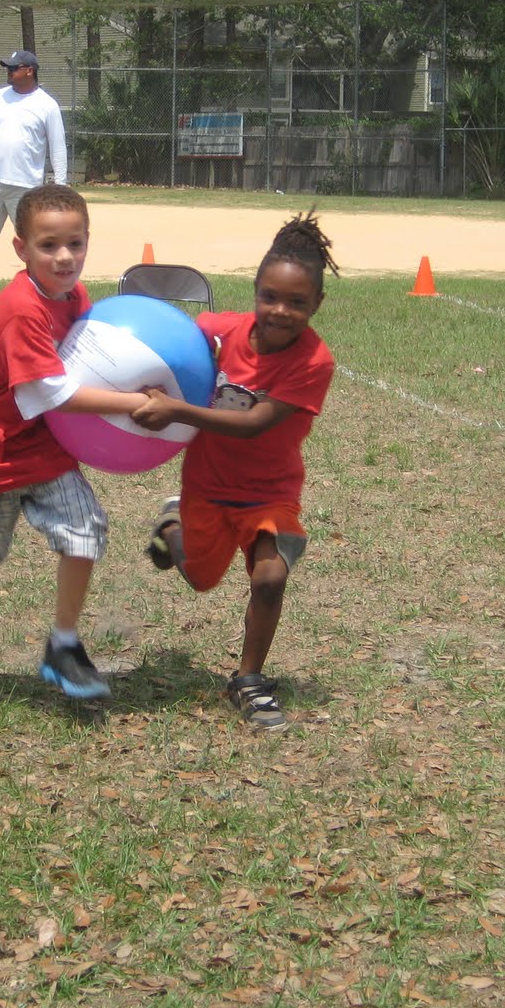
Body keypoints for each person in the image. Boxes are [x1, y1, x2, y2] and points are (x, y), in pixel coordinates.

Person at [0, 184, 150, 700]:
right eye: (48, 246)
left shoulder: (75, 297)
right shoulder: (23, 309)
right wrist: (134, 404)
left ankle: (63, 644)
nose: (64, 257)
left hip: (45, 450)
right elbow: (54, 392)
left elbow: (94, 357)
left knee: (85, 529)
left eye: (76, 243)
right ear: (21, 249)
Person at [131, 213, 338, 730]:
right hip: (206, 485)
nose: (280, 311)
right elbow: (177, 339)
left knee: (270, 578)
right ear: (254, 292)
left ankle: (249, 680)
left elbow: (255, 423)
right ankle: (171, 527)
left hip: (271, 493)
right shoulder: (220, 330)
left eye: (296, 302)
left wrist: (175, 411)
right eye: (269, 297)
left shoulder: (314, 362)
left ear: (317, 304)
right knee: (200, 579)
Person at [0, 49, 69, 304]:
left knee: (31, 240)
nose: (8, 71)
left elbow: (58, 146)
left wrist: (61, 186)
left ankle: (35, 289)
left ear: (29, 71)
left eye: (13, 67)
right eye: (7, 68)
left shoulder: (47, 105)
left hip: (27, 186)